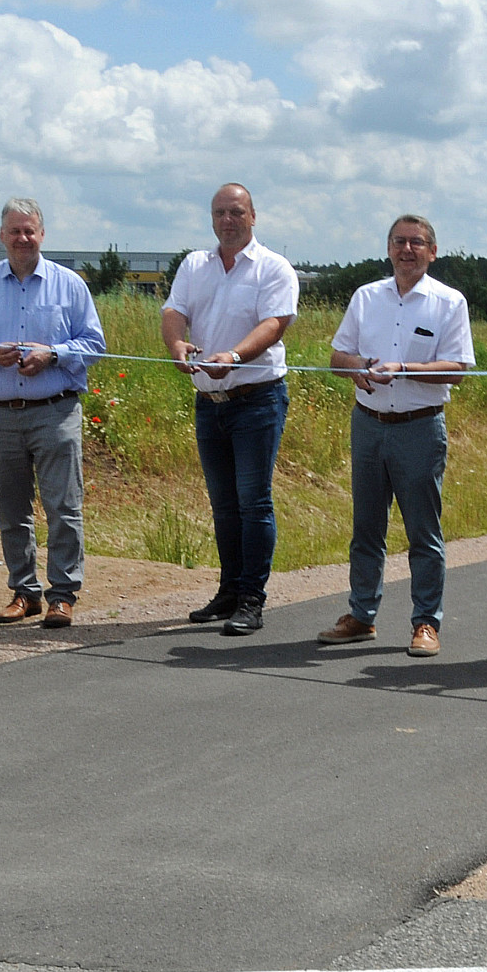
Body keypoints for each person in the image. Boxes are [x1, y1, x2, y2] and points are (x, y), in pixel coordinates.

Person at [321, 216, 476, 657]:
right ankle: (361, 616)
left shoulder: (449, 302)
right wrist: (357, 366)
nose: (407, 249)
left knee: (423, 532)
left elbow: (458, 369)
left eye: (417, 242)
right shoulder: (366, 297)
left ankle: (426, 622)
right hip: (368, 423)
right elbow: (336, 355)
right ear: (388, 248)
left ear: (432, 251)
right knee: (366, 528)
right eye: (399, 241)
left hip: (419, 428)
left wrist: (405, 369)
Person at [0, 198, 105, 629]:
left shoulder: (69, 284)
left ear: (42, 235)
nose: (22, 238)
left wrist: (53, 355)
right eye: (15, 231)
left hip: (55, 412)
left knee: (64, 507)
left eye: (30, 231)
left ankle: (62, 595)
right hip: (1, 414)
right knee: (11, 510)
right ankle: (24, 591)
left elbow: (94, 344)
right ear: (2, 236)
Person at [161, 183, 299, 635]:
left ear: (253, 216)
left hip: (256, 399)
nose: (227, 220)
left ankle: (251, 600)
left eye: (236, 212)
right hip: (209, 402)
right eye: (220, 212)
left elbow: (275, 324)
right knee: (223, 505)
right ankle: (229, 590)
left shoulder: (273, 268)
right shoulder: (194, 265)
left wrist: (235, 357)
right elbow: (173, 312)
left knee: (253, 502)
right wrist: (178, 344)